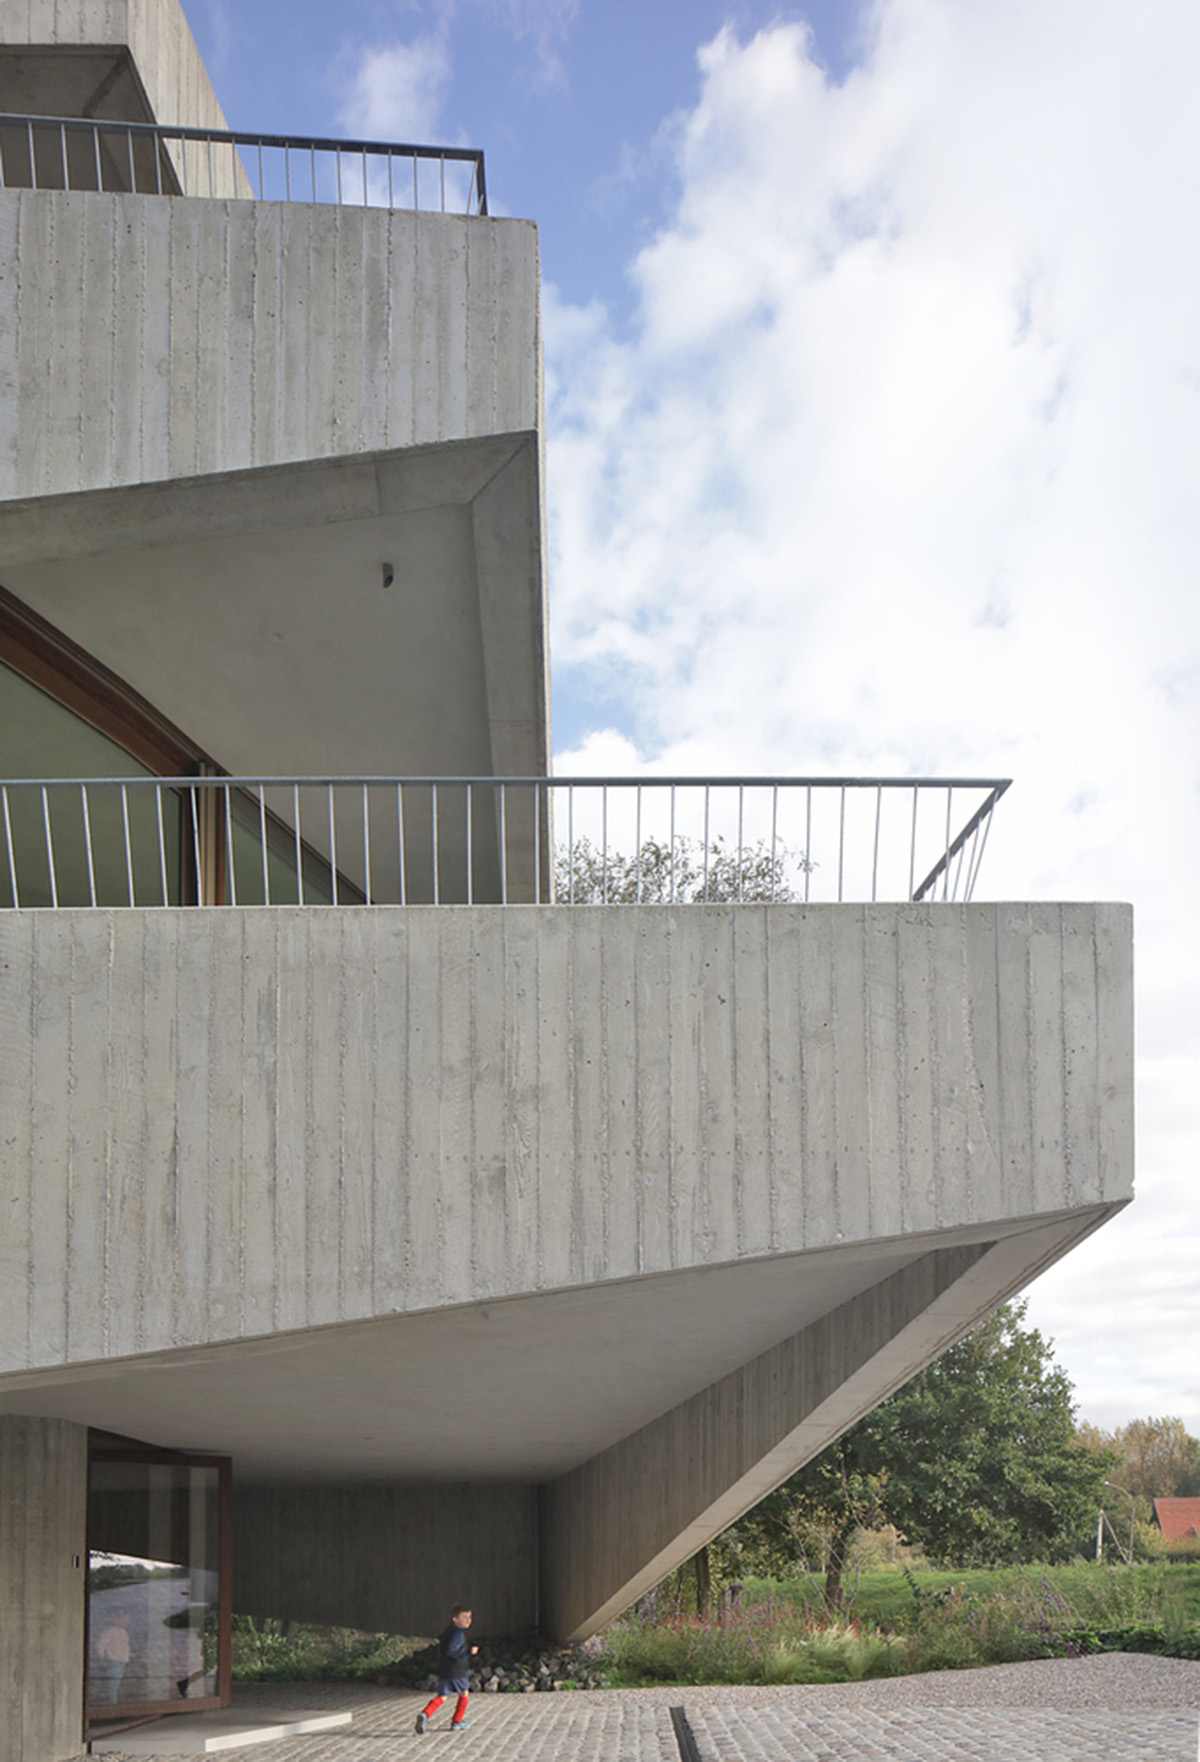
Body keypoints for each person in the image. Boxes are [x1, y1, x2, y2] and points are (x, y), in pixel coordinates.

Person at [415, 1605, 478, 1733]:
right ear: (455, 1619)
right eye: (464, 1617)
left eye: (470, 1617)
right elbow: (452, 1651)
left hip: (444, 1669)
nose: (468, 1620)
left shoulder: (448, 1631)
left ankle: (425, 1714)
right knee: (464, 1693)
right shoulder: (458, 1634)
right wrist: (468, 1652)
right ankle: (457, 1721)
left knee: (443, 1695)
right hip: (457, 1670)